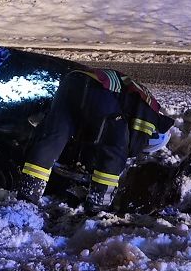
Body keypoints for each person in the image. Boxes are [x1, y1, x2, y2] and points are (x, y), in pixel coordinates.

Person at [15, 68, 175, 213]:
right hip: (97, 88)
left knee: (54, 137)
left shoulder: (141, 101)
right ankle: (99, 204)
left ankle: (28, 192)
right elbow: (127, 146)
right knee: (116, 144)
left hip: (72, 82)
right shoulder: (151, 114)